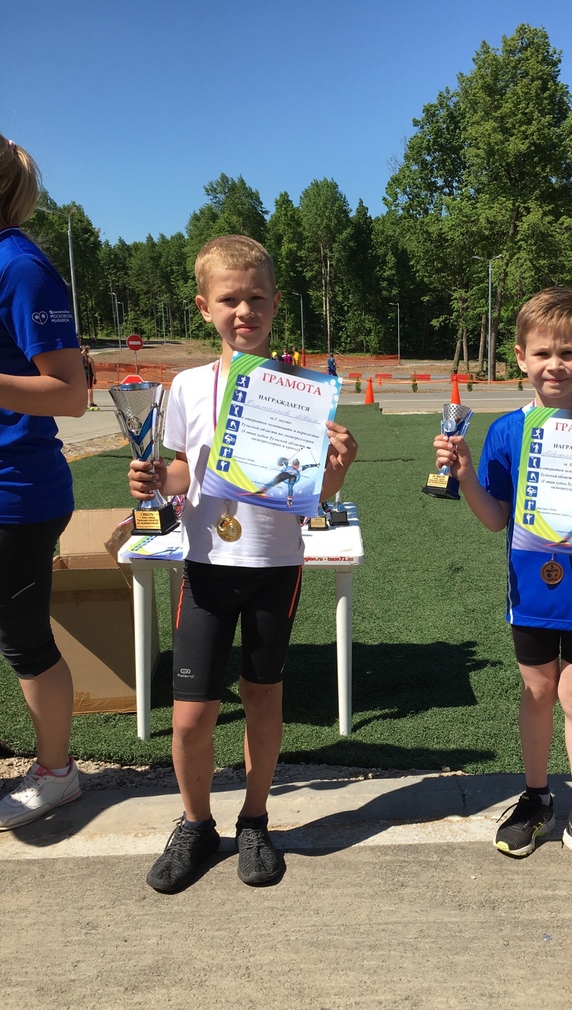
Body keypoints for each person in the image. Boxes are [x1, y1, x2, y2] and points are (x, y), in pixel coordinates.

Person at [128, 235, 357, 893]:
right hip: (205, 564)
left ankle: (255, 819)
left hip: (274, 564)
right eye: (229, 299)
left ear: (276, 303)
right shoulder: (187, 386)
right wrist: (156, 479)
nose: (244, 310)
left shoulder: (304, 391)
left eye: (256, 297)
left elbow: (316, 493)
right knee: (191, 716)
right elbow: (184, 469)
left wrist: (337, 468)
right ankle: (196, 824)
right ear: (205, 307)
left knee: (262, 698)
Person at [433, 286, 572, 880]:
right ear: (521, 358)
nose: (556, 364)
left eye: (569, 353)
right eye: (544, 353)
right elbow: (494, 518)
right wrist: (466, 474)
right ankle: (536, 798)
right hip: (530, 594)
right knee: (536, 693)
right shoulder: (507, 431)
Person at [0, 135, 87, 830]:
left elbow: (70, 392)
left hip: (16, 495)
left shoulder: (21, 266)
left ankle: (58, 774)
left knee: (25, 641)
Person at [81, 344, 98, 410]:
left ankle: (83, 403)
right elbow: (93, 370)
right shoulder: (90, 359)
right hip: (88, 375)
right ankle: (91, 402)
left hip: (81, 375)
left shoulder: (79, 358)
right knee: (89, 388)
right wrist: (95, 378)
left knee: (83, 390)